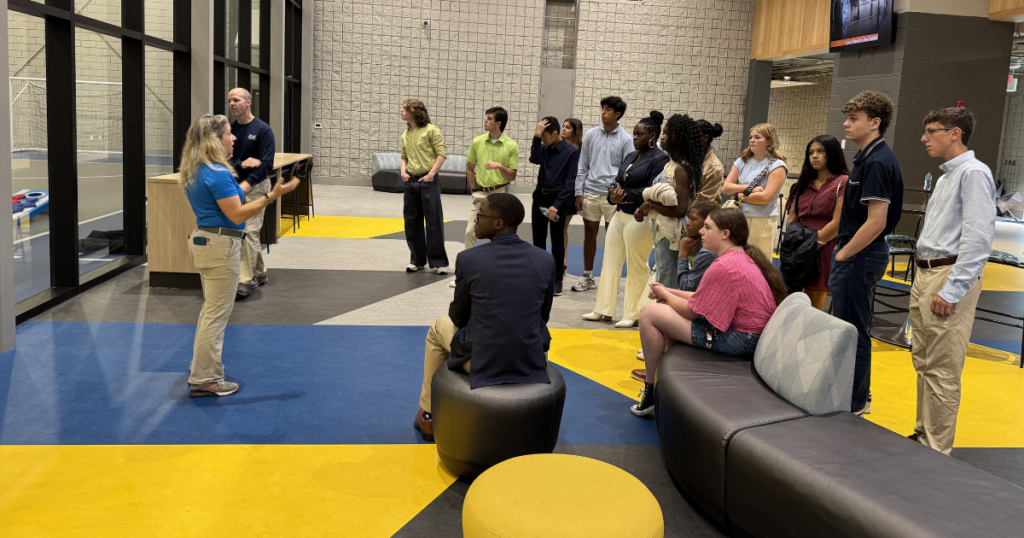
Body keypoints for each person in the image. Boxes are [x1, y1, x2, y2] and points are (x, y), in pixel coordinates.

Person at [413, 194, 555, 442]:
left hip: (484, 361)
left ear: (498, 223)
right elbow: (543, 315)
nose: (475, 221)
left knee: (438, 329)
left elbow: (457, 315)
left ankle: (429, 414)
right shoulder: (545, 259)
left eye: (480, 216)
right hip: (532, 358)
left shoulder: (469, 259)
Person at [179, 114, 299, 397]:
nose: (234, 138)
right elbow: (236, 212)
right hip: (220, 246)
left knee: (211, 309)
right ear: (214, 140)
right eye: (229, 134)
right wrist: (270, 197)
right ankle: (205, 377)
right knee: (217, 313)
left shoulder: (200, 169)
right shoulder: (218, 173)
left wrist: (263, 185)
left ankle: (201, 365)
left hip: (206, 240)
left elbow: (232, 197)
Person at [631, 208, 787, 416]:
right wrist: (668, 291)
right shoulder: (738, 257)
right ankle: (665, 389)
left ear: (725, 234)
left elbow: (691, 312)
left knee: (649, 313)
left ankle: (651, 390)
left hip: (741, 340)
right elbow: (701, 298)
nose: (701, 232)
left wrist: (666, 296)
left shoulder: (723, 265)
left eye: (707, 227)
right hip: (750, 337)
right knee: (663, 309)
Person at [909, 107, 995, 454]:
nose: (924, 138)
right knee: (924, 361)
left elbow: (977, 237)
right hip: (926, 272)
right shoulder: (946, 177)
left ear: (955, 133)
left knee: (943, 368)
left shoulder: (974, 173)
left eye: (932, 131)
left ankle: (936, 449)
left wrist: (953, 288)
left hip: (947, 274)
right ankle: (922, 434)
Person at [831, 90, 903, 416]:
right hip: (859, 253)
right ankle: (855, 395)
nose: (846, 124)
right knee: (847, 328)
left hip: (862, 255)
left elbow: (876, 221)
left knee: (853, 332)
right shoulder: (866, 156)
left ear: (874, 123)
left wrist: (844, 254)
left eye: (854, 119)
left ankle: (854, 402)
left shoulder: (877, 161)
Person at [582, 112, 670, 328]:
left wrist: (624, 194)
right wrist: (613, 196)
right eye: (634, 134)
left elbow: (652, 189)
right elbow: (619, 181)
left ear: (653, 135)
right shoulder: (632, 156)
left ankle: (634, 313)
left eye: (640, 134)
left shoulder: (660, 159)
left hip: (641, 218)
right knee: (609, 260)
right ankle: (602, 309)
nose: (635, 138)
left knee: (636, 265)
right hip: (620, 214)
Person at [631, 200, 720, 383]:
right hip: (712, 316)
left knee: (654, 310)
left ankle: (655, 376)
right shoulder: (710, 250)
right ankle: (664, 367)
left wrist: (682, 256)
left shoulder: (707, 253)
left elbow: (689, 289)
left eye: (693, 219)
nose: (687, 222)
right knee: (664, 300)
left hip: (713, 327)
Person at [572, 96, 634, 293]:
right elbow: (583, 165)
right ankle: (588, 276)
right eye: (603, 109)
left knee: (613, 237)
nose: (603, 112)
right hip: (590, 192)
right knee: (589, 234)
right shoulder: (591, 135)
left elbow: (627, 171)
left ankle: (610, 279)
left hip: (613, 197)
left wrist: (619, 194)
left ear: (617, 114)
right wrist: (579, 192)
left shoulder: (626, 139)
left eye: (608, 109)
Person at [637, 114, 704, 288]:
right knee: (663, 274)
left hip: (671, 232)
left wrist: (650, 205)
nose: (662, 137)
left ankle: (664, 313)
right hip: (661, 228)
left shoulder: (681, 169)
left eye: (667, 133)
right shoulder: (671, 164)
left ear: (678, 138)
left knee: (666, 279)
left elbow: (682, 209)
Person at [784, 135, 849, 311]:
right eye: (811, 152)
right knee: (789, 298)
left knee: (812, 306)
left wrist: (814, 242)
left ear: (833, 153)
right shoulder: (802, 184)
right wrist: (795, 239)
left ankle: (808, 337)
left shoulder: (842, 182)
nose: (814, 156)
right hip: (798, 243)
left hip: (824, 243)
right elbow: (793, 216)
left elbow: (838, 222)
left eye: (820, 151)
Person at [226, 88, 276, 299]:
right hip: (235, 186)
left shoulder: (263, 130)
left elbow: (266, 165)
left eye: (236, 100)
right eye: (229, 101)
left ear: (248, 103)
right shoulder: (230, 130)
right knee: (239, 232)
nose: (232, 104)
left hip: (256, 187)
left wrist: (247, 182)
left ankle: (245, 281)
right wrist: (242, 163)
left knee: (250, 232)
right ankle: (259, 272)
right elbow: (226, 159)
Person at [721, 123, 789, 259]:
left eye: (757, 137)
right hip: (737, 217)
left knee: (757, 262)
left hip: (761, 219)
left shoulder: (777, 166)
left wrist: (738, 196)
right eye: (751, 137)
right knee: (734, 258)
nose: (752, 140)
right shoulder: (742, 161)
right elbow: (725, 188)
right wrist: (748, 189)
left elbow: (765, 198)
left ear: (769, 141)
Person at [530, 117, 580, 296]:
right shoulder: (543, 147)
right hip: (540, 197)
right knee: (538, 239)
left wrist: (557, 205)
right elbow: (534, 159)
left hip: (558, 199)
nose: (542, 139)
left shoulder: (571, 152)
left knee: (557, 241)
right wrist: (536, 138)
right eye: (540, 136)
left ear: (555, 134)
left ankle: (557, 278)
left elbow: (570, 182)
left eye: (544, 136)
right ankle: (539, 276)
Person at [400, 98, 450, 274]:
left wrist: (431, 174)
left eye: (405, 109)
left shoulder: (432, 130)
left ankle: (439, 262)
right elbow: (404, 155)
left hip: (428, 181)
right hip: (410, 181)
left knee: (433, 221)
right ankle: (417, 260)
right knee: (411, 222)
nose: (401, 111)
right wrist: (403, 171)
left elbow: (442, 153)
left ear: (414, 111)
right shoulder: (405, 134)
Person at [560, 118, 584, 273]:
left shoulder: (582, 148)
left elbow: (583, 170)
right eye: (563, 126)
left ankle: (563, 260)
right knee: (556, 226)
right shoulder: (558, 145)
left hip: (571, 191)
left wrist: (580, 193)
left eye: (567, 127)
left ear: (575, 131)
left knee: (562, 227)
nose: (563, 129)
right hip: (557, 189)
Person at [696, 119, 726, 204]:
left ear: (705, 138)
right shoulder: (689, 159)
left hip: (702, 215)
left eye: (694, 135)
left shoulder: (715, 168)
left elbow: (702, 202)